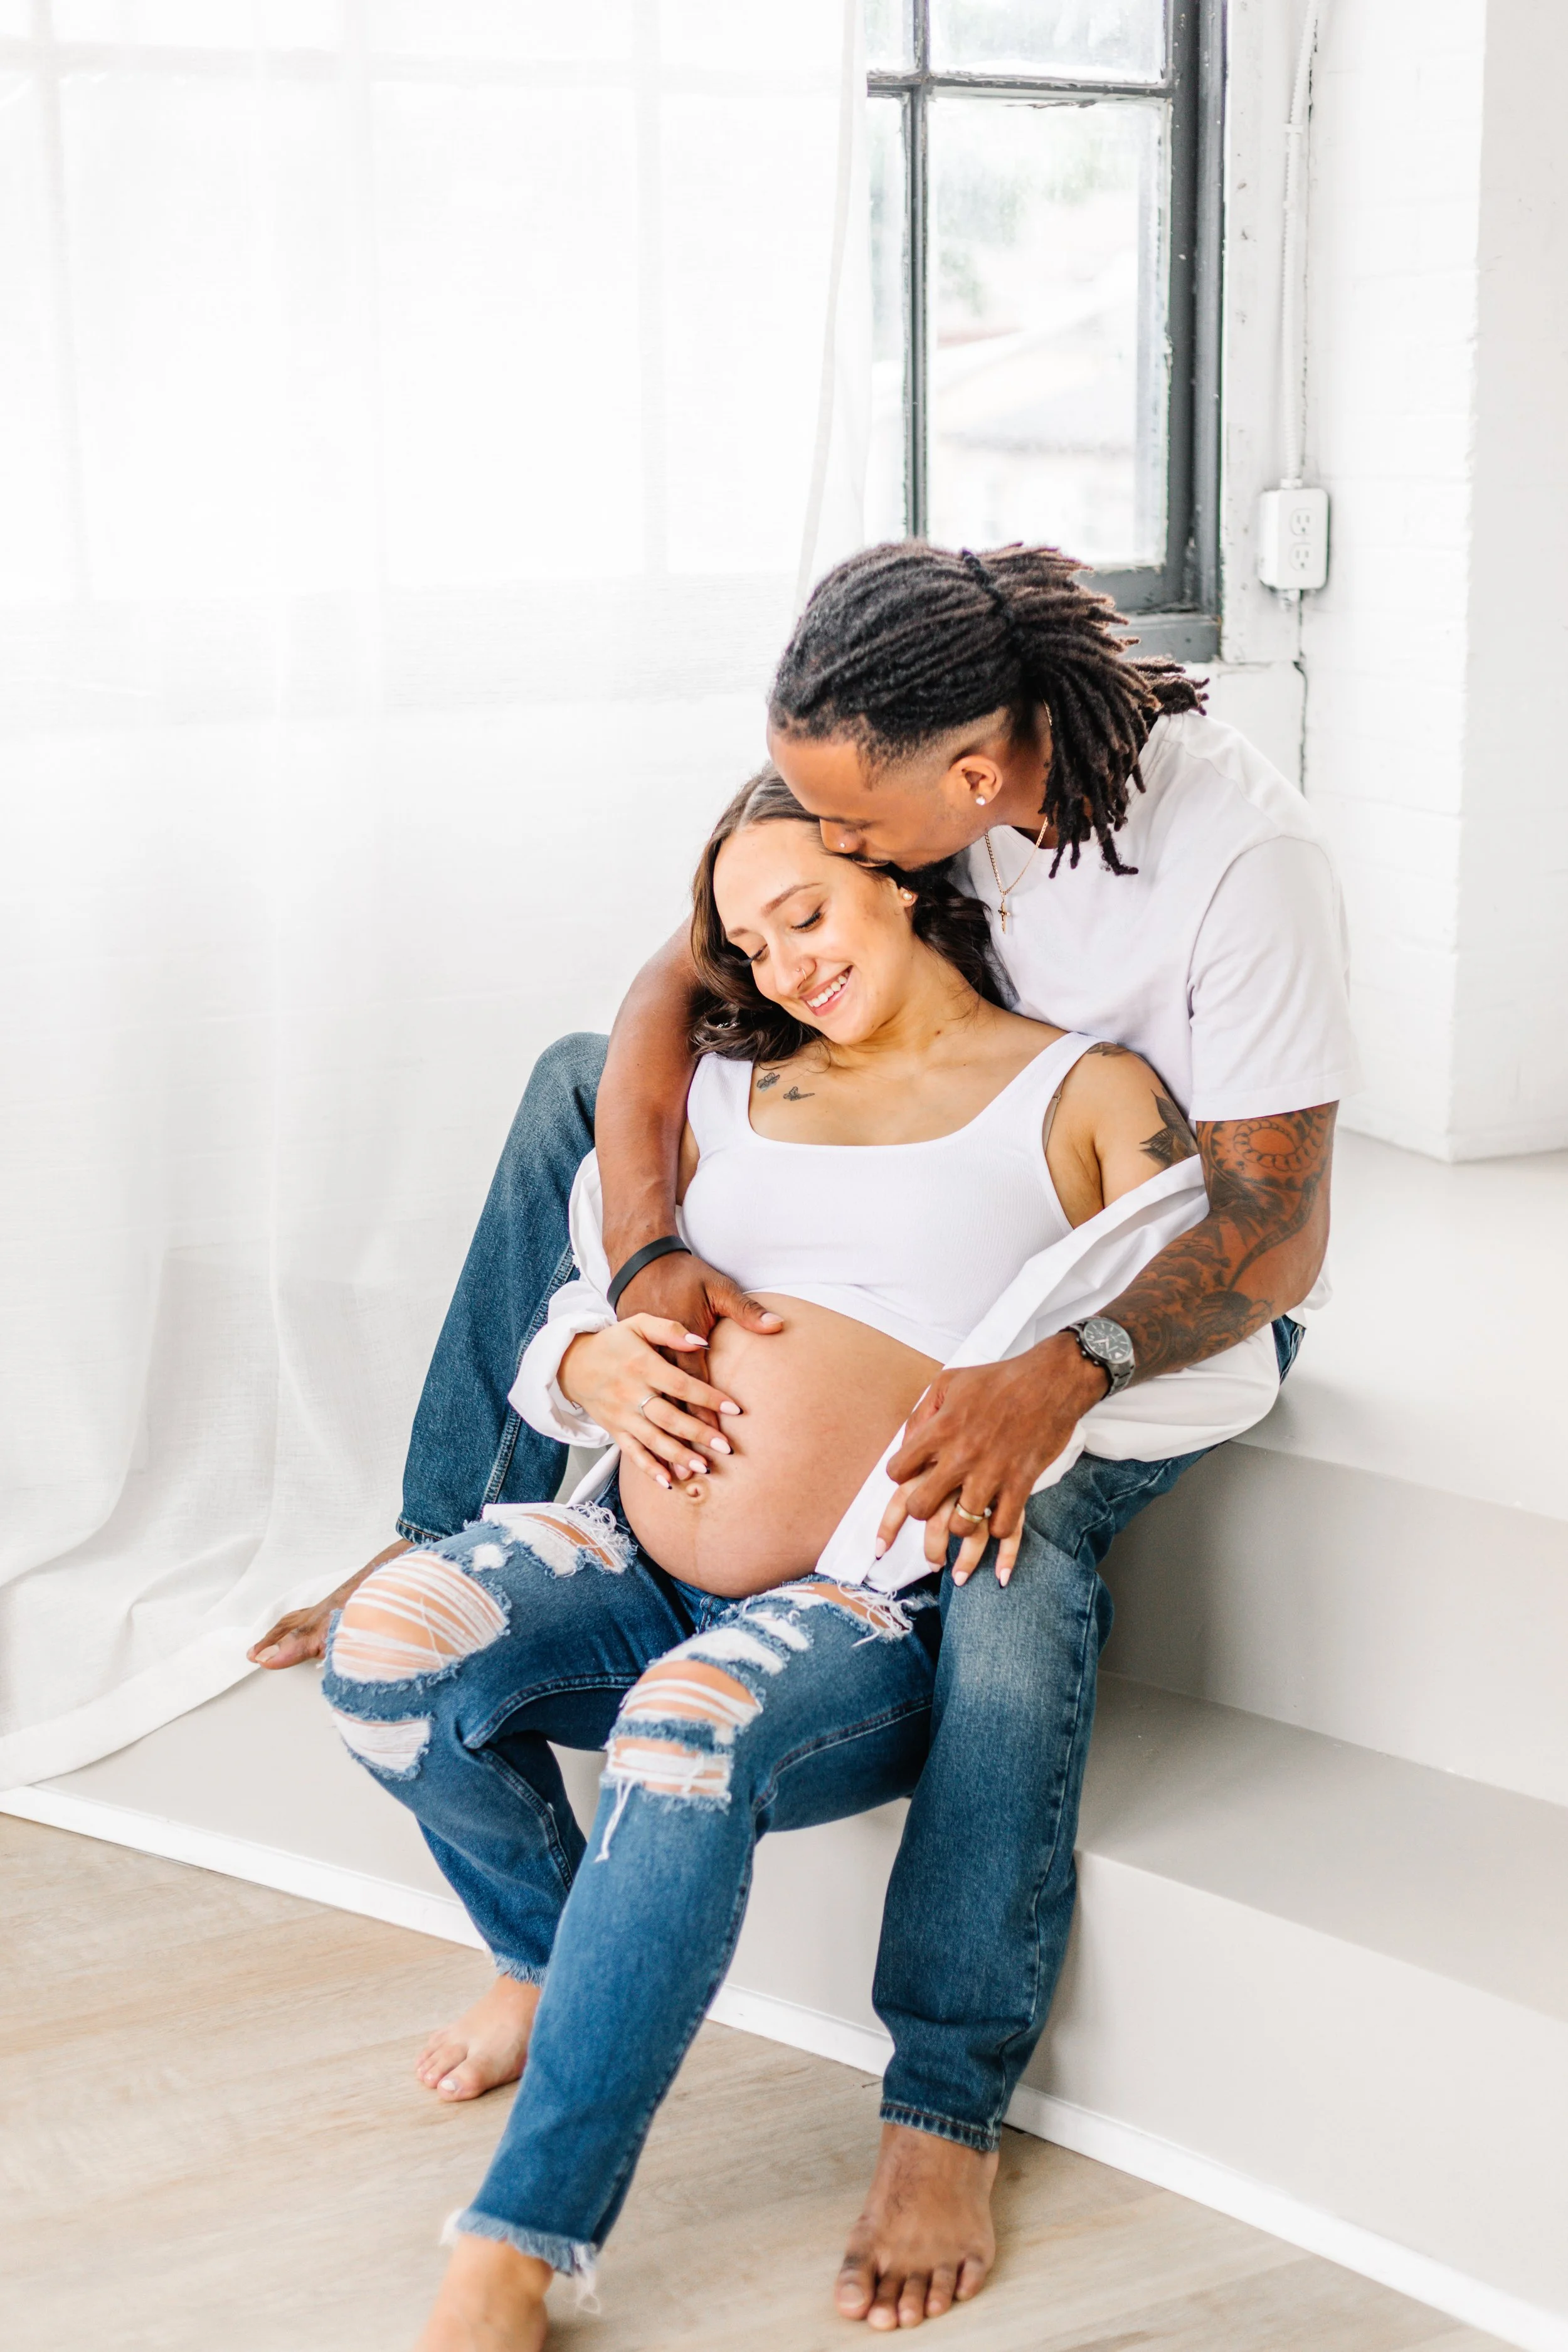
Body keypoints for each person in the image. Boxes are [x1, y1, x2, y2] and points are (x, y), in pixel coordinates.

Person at [252, 541, 1357, 2325]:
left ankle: (941, 2100)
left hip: (1174, 1259)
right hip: (947, 1218)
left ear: (971, 791)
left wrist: (1061, 1367)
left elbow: (1263, 1226)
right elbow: (667, 988)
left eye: (857, 843)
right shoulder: (889, 813)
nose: (826, 860)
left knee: (1017, 1552)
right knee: (570, 1087)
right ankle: (445, 1534)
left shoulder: (1240, 867)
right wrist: (637, 1273)